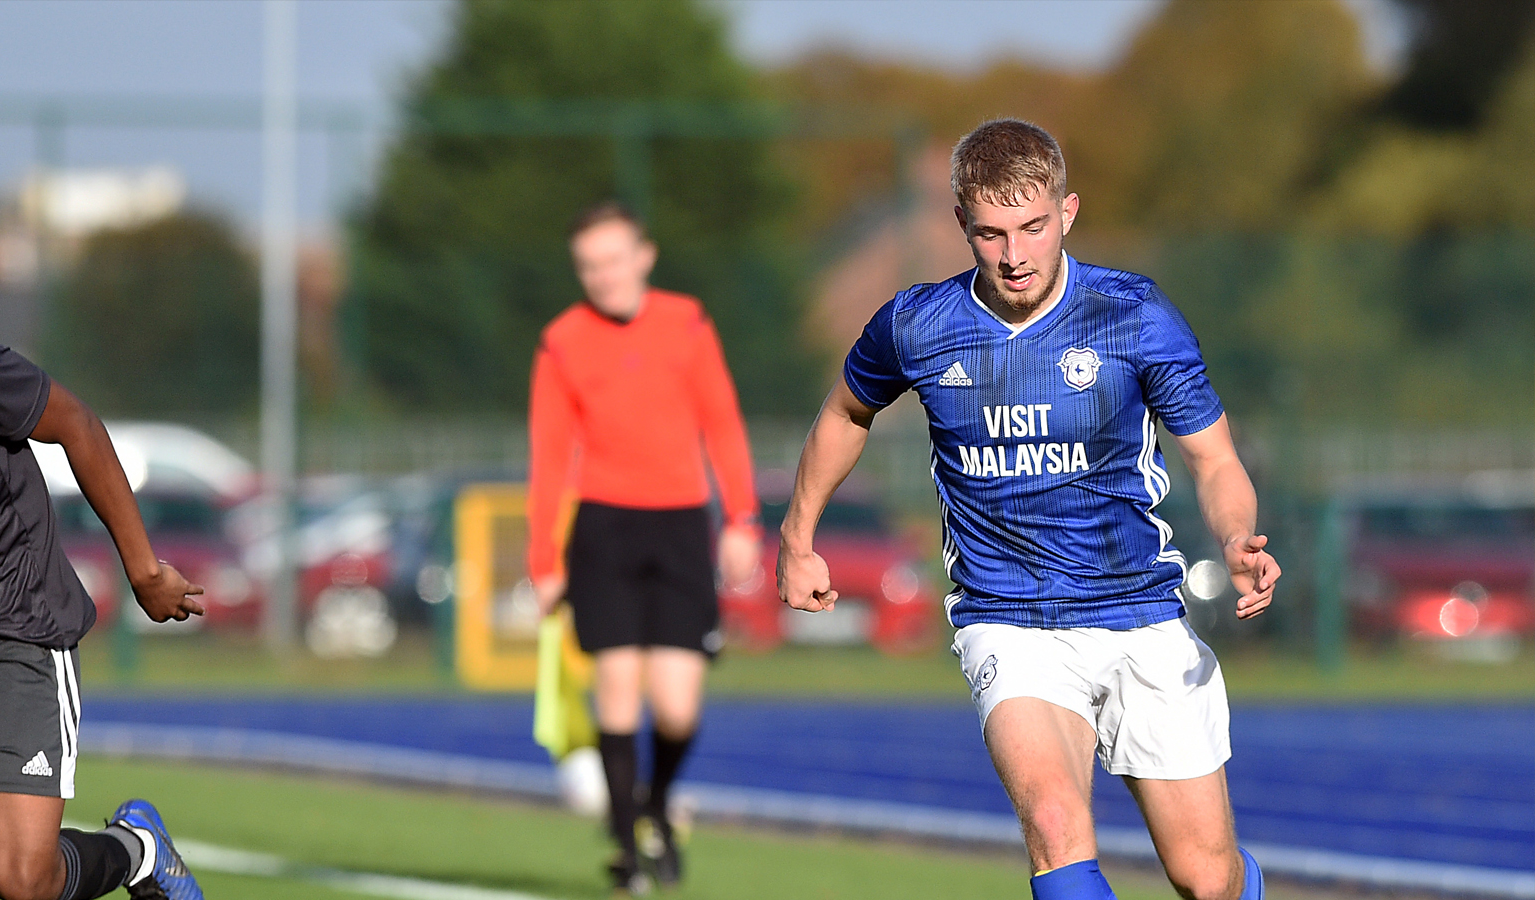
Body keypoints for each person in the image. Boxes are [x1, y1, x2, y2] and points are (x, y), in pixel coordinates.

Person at [777, 119, 1280, 900]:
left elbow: (1213, 458)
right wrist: (798, 533)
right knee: (1053, 824)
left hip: (1136, 612)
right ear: (961, 227)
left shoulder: (1133, 315)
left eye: (1032, 228)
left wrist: (1239, 535)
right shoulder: (917, 324)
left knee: (1206, 878)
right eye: (991, 234)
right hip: (1008, 620)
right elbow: (846, 412)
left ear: (1067, 212)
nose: (1015, 256)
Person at [526, 202, 761, 895]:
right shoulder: (561, 340)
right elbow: (547, 457)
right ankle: (627, 847)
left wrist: (742, 519)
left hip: (682, 525)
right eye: (588, 265)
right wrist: (543, 560)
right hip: (603, 529)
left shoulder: (686, 322)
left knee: (679, 705)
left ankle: (654, 804)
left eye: (613, 258)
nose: (603, 275)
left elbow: (722, 422)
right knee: (619, 695)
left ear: (643, 256)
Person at [0, 308, 205, 900]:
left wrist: (144, 571)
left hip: (13, 622)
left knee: (22, 879)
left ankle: (140, 850)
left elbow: (75, 423)